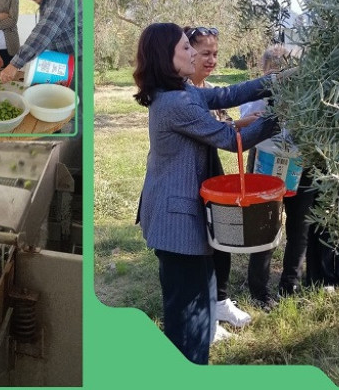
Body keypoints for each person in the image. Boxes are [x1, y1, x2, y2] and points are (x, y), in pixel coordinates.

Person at [133, 23, 287, 364]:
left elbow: (226, 96)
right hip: (176, 223)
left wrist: (276, 80)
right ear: (166, 57)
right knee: (188, 318)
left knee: (198, 307)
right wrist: (281, 114)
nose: (193, 53)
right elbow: (233, 139)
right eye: (185, 48)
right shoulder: (175, 103)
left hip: (179, 213)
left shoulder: (181, 90)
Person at [185, 26, 253, 338]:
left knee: (221, 236)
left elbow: (223, 125)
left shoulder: (210, 89)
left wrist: (244, 123)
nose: (212, 59)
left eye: (215, 53)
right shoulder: (182, 93)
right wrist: (249, 124)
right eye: (205, 53)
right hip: (190, 176)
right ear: (189, 53)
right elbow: (217, 133)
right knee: (199, 245)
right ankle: (204, 316)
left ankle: (221, 301)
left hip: (212, 172)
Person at [239, 45, 317, 303]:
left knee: (300, 225)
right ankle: (259, 291)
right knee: (264, 225)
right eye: (275, 71)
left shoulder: (310, 94)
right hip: (266, 163)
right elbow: (245, 122)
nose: (281, 77)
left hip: (301, 165)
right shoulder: (257, 92)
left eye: (286, 71)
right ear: (265, 71)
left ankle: (289, 284)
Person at [0, 0, 82, 89]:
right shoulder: (45, 0)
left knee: (77, 100)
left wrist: (14, 64)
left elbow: (46, 30)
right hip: (62, 65)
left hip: (79, 64)